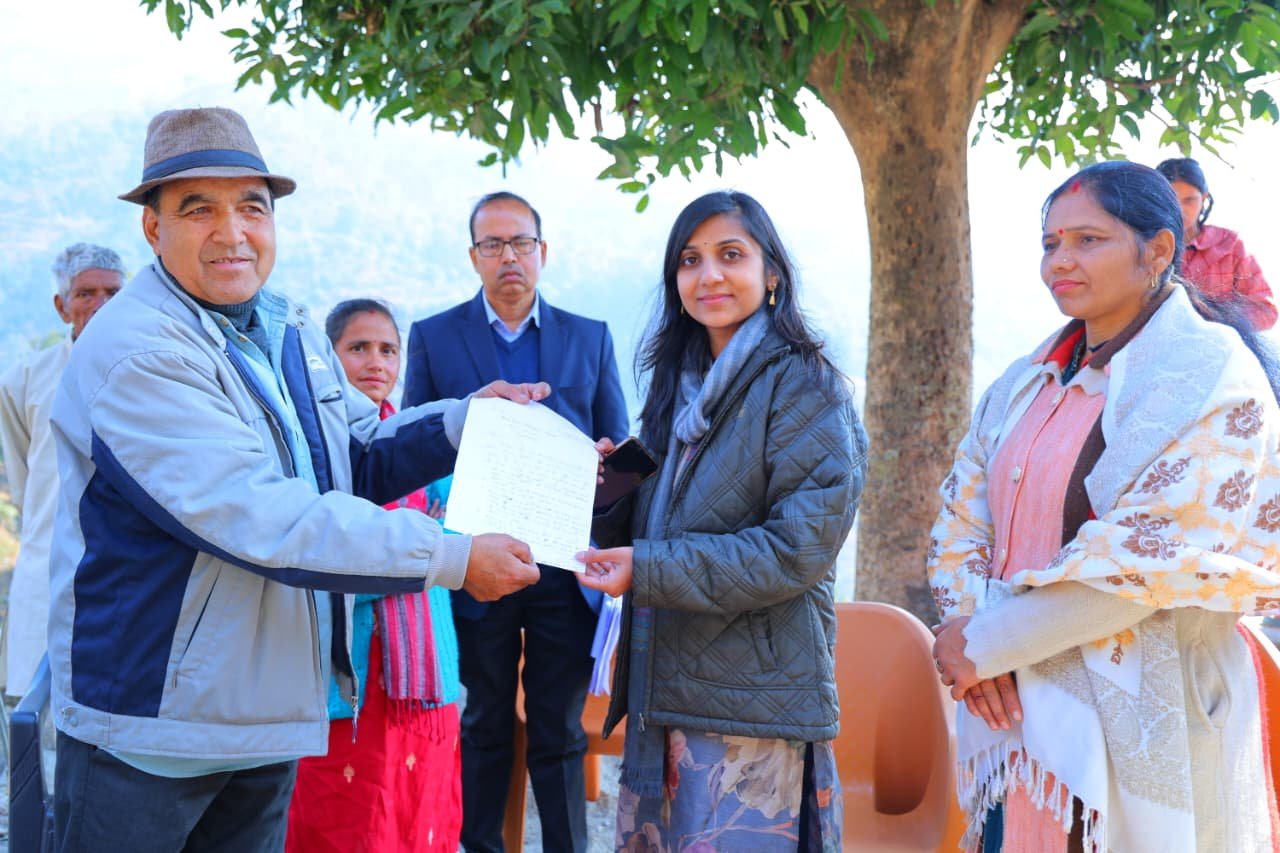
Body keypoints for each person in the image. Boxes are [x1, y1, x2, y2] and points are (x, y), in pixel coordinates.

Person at [47, 107, 543, 853]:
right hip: (151, 727)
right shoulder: (139, 349)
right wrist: (452, 556)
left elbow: (354, 451)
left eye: (252, 207)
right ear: (153, 228)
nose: (232, 232)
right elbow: (261, 515)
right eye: (198, 209)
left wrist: (466, 422)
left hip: (263, 720)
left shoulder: (286, 328)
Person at [928, 161, 1280, 852]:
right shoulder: (1025, 381)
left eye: (1088, 239)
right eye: (1050, 243)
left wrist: (985, 644)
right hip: (1018, 721)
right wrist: (975, 646)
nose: (1060, 260)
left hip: (1151, 712)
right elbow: (960, 519)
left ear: (1158, 250)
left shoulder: (1210, 373)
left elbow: (1152, 558)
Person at [577, 190, 867, 850]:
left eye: (730, 255)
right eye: (690, 259)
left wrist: (646, 569)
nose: (708, 275)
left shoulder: (807, 386)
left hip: (751, 712)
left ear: (772, 273)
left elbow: (796, 549)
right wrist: (607, 491)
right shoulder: (679, 386)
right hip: (664, 695)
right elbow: (655, 524)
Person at [403, 190, 629, 852]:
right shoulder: (434, 337)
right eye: (493, 244)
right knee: (484, 723)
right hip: (476, 563)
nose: (509, 256)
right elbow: (413, 447)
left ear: (543, 252)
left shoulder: (589, 336)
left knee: (559, 731)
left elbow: (620, 455)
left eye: (521, 242)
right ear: (474, 255)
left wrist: (607, 469)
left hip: (565, 567)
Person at [286, 299, 463, 851]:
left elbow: (462, 536)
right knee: (343, 818)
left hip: (424, 678)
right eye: (358, 347)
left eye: (388, 350)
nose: (375, 362)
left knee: (416, 815)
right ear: (328, 358)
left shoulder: (425, 446)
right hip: (341, 680)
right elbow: (310, 552)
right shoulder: (309, 450)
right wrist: (413, 556)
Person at [0, 242, 123, 699]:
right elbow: (24, 477)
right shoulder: (25, 379)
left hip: (122, 576)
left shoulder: (154, 376)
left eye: (113, 293)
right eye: (86, 293)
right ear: (62, 306)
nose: (101, 305)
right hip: (45, 570)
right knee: (38, 716)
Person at [1155, 156, 1276, 330]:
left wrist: (1214, 319)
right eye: (1172, 199)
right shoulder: (1144, 246)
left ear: (1204, 199)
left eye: (1189, 200)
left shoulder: (1230, 245)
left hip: (1218, 344)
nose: (1180, 209)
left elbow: (1265, 309)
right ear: (1157, 200)